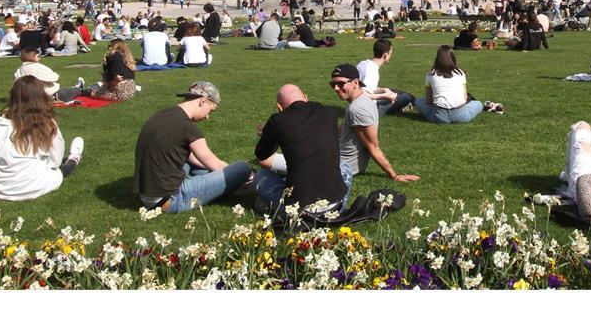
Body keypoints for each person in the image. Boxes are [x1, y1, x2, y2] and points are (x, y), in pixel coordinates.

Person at [132, 82, 253, 213]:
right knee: (242, 168)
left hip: (147, 194)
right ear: (203, 101)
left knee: (195, 165)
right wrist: (248, 175)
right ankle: (241, 180)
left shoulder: (163, 114)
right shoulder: (188, 128)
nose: (207, 117)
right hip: (171, 200)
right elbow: (216, 165)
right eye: (210, 111)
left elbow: (193, 158)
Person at [0, 76, 84, 201]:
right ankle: (74, 158)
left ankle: (73, 157)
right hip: (35, 186)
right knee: (60, 171)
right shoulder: (47, 123)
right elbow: (55, 161)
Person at [253, 84, 351, 213]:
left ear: (279, 107)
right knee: (344, 166)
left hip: (298, 208)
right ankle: (334, 208)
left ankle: (274, 207)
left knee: (261, 175)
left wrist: (272, 133)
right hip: (335, 203)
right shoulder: (329, 113)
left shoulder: (277, 121)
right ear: (305, 98)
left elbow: (261, 154)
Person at [331, 64, 419, 182]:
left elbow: (373, 146)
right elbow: (339, 132)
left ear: (355, 83)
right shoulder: (361, 99)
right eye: (333, 84)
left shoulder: (358, 109)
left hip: (342, 166)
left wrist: (394, 175)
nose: (336, 88)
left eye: (341, 84)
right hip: (335, 157)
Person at [415, 45, 491, 124]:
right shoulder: (460, 73)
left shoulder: (430, 74)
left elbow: (429, 100)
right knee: (478, 104)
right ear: (453, 57)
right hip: (461, 116)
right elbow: (465, 97)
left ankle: (434, 115)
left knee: (419, 101)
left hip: (439, 116)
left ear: (437, 58)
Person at [357, 38, 417, 115]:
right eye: (390, 54)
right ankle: (404, 108)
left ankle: (410, 103)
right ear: (385, 55)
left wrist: (384, 90)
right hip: (370, 109)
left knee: (395, 92)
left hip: (359, 105)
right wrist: (384, 95)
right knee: (406, 97)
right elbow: (363, 94)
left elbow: (365, 87)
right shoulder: (372, 71)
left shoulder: (363, 63)